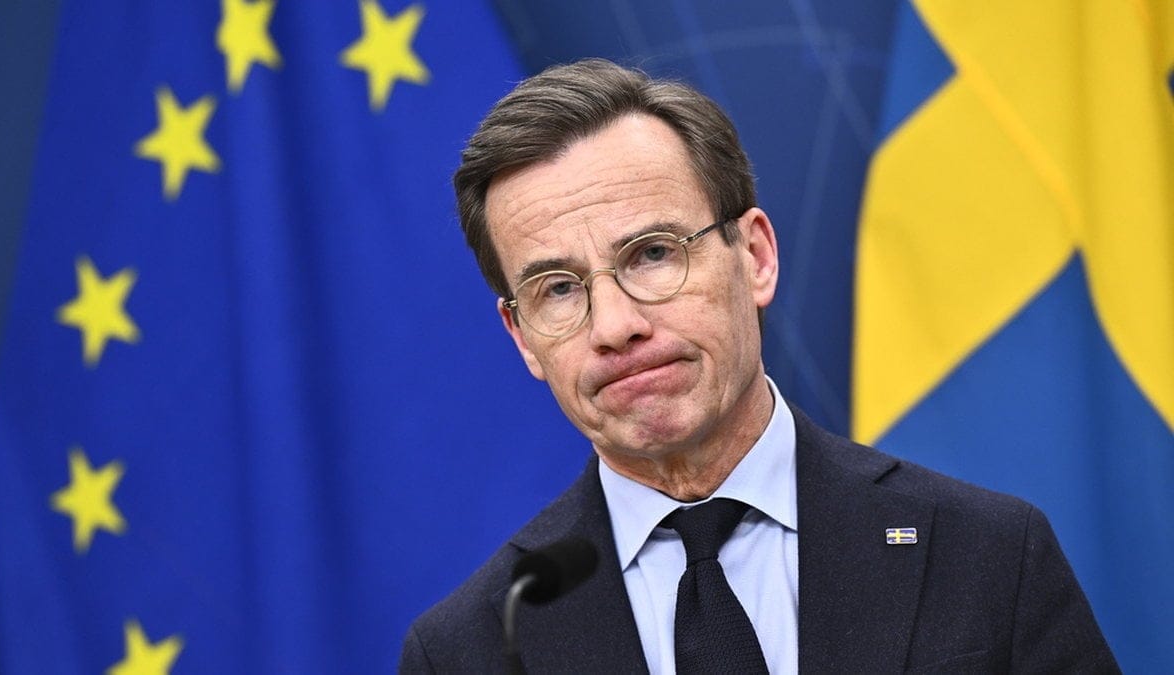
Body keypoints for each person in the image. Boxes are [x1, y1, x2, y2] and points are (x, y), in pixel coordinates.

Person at [399, 58, 1117, 673]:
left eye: (653, 254)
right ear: (523, 337)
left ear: (755, 257)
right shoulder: (470, 648)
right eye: (558, 289)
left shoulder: (988, 556)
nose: (615, 326)